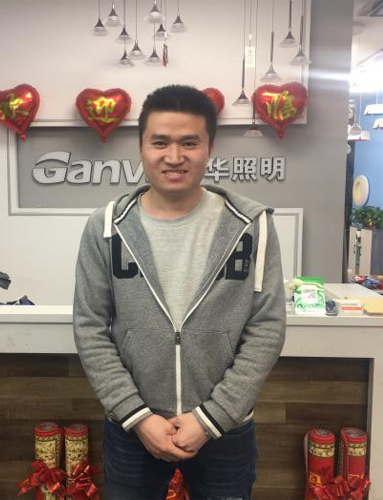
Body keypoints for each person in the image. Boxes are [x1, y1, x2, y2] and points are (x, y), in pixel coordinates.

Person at [73, 85, 286, 500]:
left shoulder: (251, 224)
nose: (174, 156)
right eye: (160, 143)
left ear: (209, 148)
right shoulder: (106, 227)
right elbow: (89, 326)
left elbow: (267, 327)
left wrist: (210, 419)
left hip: (225, 428)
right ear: (141, 147)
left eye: (189, 143)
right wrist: (138, 416)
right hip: (133, 427)